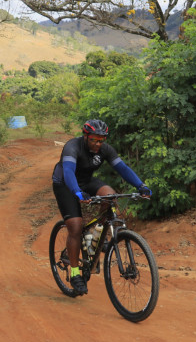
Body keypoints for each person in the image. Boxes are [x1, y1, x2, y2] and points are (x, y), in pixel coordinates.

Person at [51, 119, 151, 295]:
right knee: (75, 226)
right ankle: (75, 273)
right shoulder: (72, 147)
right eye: (94, 140)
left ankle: (96, 234)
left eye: (101, 140)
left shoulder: (105, 149)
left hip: (86, 181)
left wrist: (140, 185)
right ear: (85, 136)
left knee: (110, 196)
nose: (98, 144)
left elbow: (122, 168)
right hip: (65, 184)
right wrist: (77, 192)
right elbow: (68, 172)